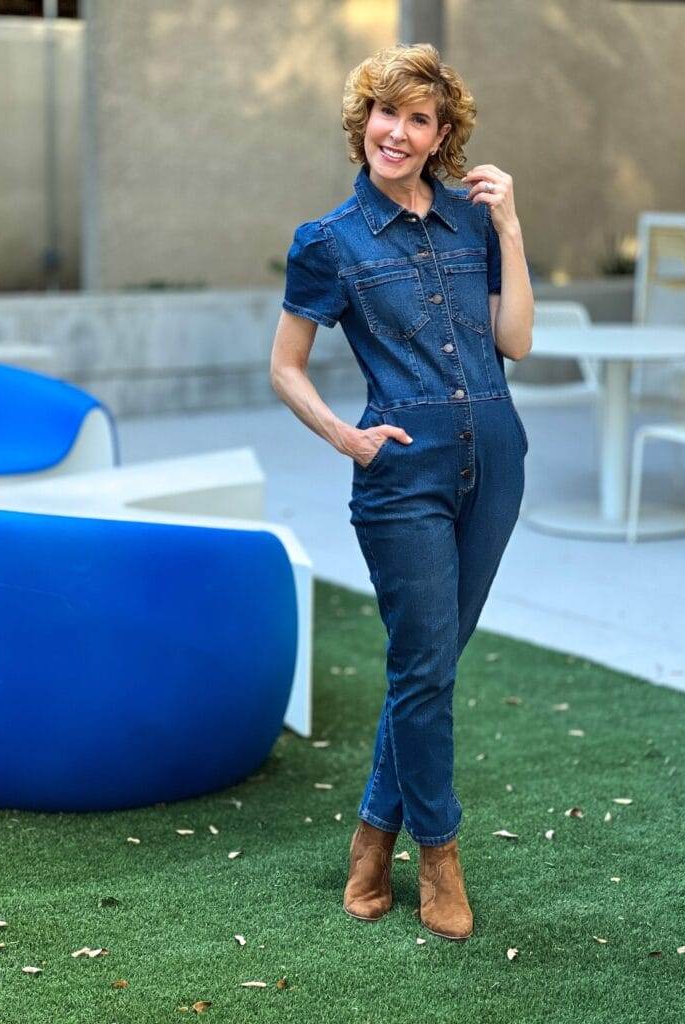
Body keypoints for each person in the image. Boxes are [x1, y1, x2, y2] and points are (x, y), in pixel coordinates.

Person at [270, 42, 533, 941]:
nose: (397, 130)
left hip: (496, 455)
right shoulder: (327, 242)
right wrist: (347, 438)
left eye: (418, 118)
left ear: (440, 135)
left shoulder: (470, 221)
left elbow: (518, 342)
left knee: (429, 666)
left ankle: (369, 843)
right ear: (364, 123)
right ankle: (441, 861)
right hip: (401, 474)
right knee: (424, 669)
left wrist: (512, 232)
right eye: (385, 112)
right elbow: (286, 368)